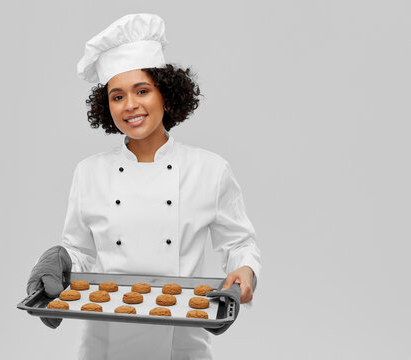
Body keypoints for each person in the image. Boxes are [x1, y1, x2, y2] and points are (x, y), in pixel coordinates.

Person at [27, 13, 261, 360]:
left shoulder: (210, 170)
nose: (130, 105)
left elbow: (239, 243)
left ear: (165, 96)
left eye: (142, 91)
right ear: (106, 107)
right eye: (117, 96)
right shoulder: (89, 172)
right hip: (103, 338)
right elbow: (80, 253)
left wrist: (244, 272)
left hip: (182, 341)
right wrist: (58, 259)